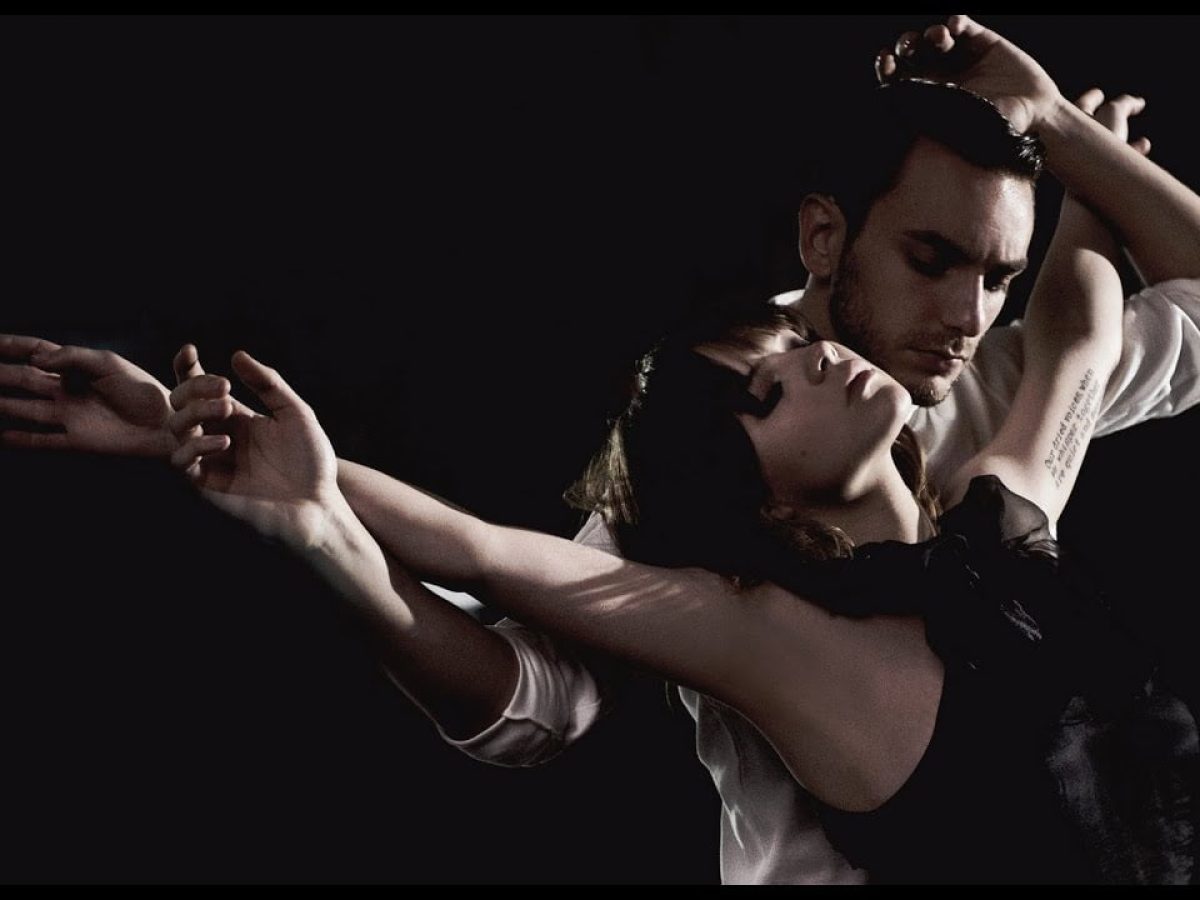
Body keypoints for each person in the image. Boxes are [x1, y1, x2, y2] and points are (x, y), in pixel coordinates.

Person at [3, 14, 1200, 883]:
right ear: (826, 239)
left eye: (997, 275)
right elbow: (528, 661)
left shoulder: (993, 468)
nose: (966, 314)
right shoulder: (703, 449)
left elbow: (1088, 327)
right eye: (931, 261)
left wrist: (1067, 140)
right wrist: (238, 463)